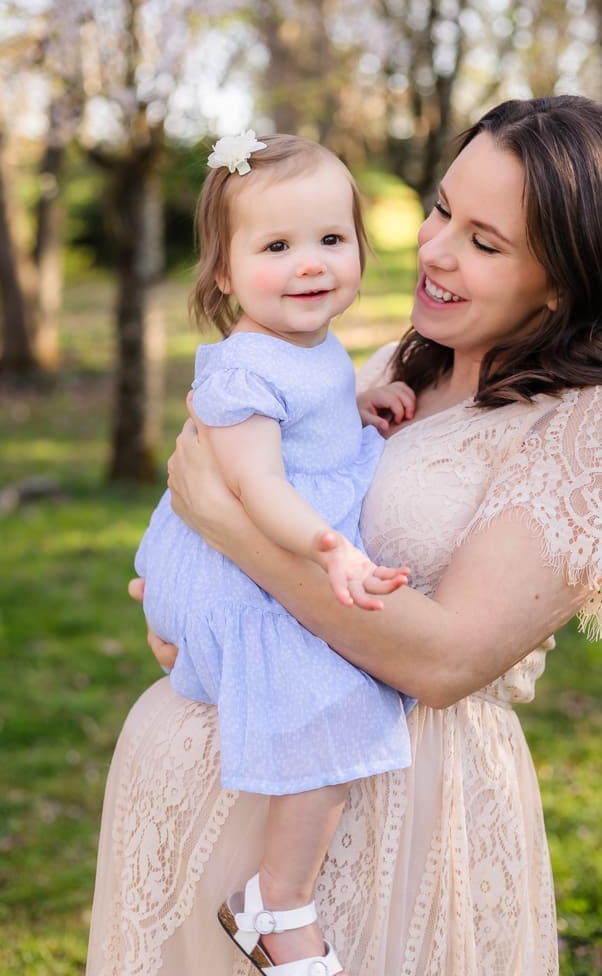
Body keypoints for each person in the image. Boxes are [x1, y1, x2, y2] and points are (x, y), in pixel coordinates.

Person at [86, 95, 602, 976]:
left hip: (400, 809)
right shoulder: (396, 364)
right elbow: (233, 479)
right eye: (441, 210)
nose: (433, 250)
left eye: (483, 242)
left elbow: (446, 660)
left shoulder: (593, 423)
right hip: (203, 776)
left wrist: (231, 535)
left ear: (563, 277)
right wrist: (187, 601)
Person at [133, 131, 418, 976]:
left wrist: (357, 403)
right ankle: (275, 905)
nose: (310, 264)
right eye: (276, 247)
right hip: (240, 557)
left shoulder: (309, 346)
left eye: (330, 238)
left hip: (258, 543)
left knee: (346, 691)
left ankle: (277, 898)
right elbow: (256, 488)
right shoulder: (241, 373)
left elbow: (307, 421)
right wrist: (328, 548)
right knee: (332, 702)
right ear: (223, 272)